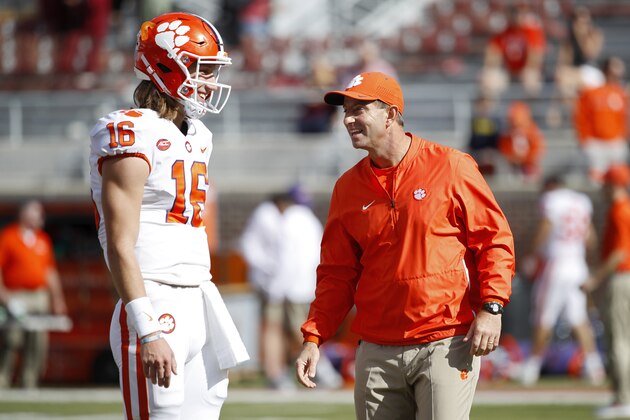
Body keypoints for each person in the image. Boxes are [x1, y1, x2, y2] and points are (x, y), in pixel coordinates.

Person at [295, 71, 515, 420]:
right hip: (376, 349)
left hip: (444, 340)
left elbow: (493, 241)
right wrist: (314, 338)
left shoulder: (452, 166)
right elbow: (337, 274)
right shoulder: (347, 188)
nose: (349, 119)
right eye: (346, 111)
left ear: (390, 113)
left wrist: (492, 306)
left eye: (359, 109)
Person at [89, 12, 249, 419]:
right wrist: (147, 327)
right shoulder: (130, 132)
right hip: (154, 295)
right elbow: (120, 243)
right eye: (202, 68)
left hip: (198, 294)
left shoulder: (198, 135)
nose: (210, 82)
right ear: (166, 65)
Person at [240, 187, 342, 390]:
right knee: (286, 330)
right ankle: (286, 374)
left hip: (288, 286)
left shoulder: (292, 219)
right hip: (297, 284)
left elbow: (289, 258)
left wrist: (276, 286)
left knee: (295, 332)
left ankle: (318, 370)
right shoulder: (299, 218)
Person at [517, 175, 604, 386]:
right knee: (578, 317)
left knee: (543, 316)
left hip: (556, 263)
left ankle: (532, 368)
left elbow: (546, 226)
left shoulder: (552, 199)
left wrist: (530, 254)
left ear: (550, 186)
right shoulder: (581, 201)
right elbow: (590, 237)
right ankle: (594, 367)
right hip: (577, 263)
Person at [0, 200, 67, 389]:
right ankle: (3, 380)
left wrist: (57, 299)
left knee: (37, 341)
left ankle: (29, 382)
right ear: (24, 214)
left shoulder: (42, 239)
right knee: (12, 340)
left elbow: (50, 271)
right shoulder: (9, 236)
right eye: (37, 213)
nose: (41, 217)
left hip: (39, 295)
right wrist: (4, 294)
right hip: (16, 295)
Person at [582, 164, 630, 419]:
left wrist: (595, 279)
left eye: (605, 183)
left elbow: (619, 252)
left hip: (620, 278)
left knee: (619, 340)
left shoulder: (619, 210)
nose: (601, 188)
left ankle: (624, 398)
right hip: (623, 277)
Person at [574, 56, 628, 184]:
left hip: (616, 143)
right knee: (596, 180)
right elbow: (581, 116)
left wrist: (623, 137)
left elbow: (624, 118)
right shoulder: (591, 93)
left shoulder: (621, 93)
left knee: (618, 180)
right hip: (595, 143)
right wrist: (584, 138)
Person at [479, 3, 546, 98]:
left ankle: (531, 110)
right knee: (489, 77)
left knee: (531, 78)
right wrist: (493, 67)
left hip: (526, 70)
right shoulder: (503, 30)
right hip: (508, 71)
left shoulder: (532, 29)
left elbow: (535, 57)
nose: (517, 16)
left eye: (519, 12)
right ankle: (489, 111)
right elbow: (493, 55)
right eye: (514, 12)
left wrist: (524, 70)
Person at [497, 101, 545, 182]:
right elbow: (504, 149)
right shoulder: (507, 134)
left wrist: (527, 159)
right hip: (513, 166)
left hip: (529, 165)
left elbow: (538, 148)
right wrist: (512, 159)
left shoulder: (532, 132)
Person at [467, 95, 502, 176]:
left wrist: (490, 153)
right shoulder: (475, 121)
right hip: (478, 156)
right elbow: (472, 143)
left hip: (492, 157)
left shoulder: (496, 121)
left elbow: (498, 141)